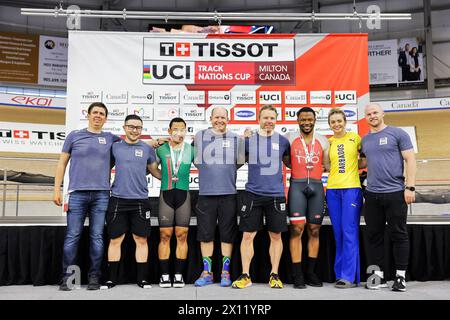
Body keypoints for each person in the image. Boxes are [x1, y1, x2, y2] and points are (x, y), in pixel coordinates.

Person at [53, 102, 120, 291]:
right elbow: (61, 164)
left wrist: (154, 143)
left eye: (102, 113)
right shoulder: (74, 136)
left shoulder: (111, 139)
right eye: (95, 113)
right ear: (88, 115)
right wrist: (56, 189)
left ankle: (94, 277)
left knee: (97, 237)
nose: (98, 116)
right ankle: (68, 278)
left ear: (105, 118)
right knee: (72, 236)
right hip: (76, 194)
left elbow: (132, 143)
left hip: (101, 195)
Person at [232, 105, 290, 289]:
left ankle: (274, 275)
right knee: (248, 236)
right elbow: (236, 162)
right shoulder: (249, 140)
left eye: (272, 118)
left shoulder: (283, 142)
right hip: (252, 194)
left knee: (276, 235)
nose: (269, 121)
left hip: (276, 195)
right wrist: (243, 139)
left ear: (276, 119)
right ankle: (245, 275)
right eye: (265, 117)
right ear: (259, 119)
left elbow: (290, 163)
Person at [360, 103, 416, 292]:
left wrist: (410, 187)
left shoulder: (397, 133)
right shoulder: (365, 140)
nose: (372, 116)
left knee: (398, 234)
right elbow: (363, 162)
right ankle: (377, 276)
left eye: (375, 112)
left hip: (395, 193)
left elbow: (410, 159)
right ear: (365, 117)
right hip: (372, 195)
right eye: (368, 114)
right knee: (374, 236)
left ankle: (400, 277)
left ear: (383, 114)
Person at [103, 114, 161, 289]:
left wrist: (172, 179)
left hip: (140, 201)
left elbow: (154, 171)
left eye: (138, 128)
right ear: (124, 128)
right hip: (118, 200)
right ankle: (111, 279)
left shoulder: (147, 148)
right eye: (131, 127)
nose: (135, 130)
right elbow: (105, 168)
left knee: (141, 239)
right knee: (115, 239)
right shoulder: (115, 147)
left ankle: (142, 279)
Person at [193, 107, 244, 287]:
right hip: (206, 194)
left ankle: (225, 272)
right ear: (210, 118)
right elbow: (196, 160)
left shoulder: (237, 139)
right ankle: (207, 273)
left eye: (223, 117)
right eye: (216, 117)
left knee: (227, 235)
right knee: (205, 235)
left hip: (228, 193)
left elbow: (238, 162)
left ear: (228, 119)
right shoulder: (200, 136)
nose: (219, 120)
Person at [285, 107, 329, 289]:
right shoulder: (289, 138)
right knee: (296, 229)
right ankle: (297, 275)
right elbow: (286, 159)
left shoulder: (323, 140)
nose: (306, 122)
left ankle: (310, 272)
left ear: (314, 120)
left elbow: (326, 164)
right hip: (297, 185)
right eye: (303, 119)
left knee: (315, 230)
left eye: (309, 119)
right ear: (297, 120)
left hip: (317, 186)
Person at [151, 117, 194, 288]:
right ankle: (164, 276)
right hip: (166, 194)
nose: (179, 133)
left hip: (184, 195)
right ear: (169, 131)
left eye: (182, 129)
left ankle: (178, 275)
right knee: (165, 235)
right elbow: (152, 168)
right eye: (175, 129)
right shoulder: (161, 149)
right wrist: (166, 178)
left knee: (182, 235)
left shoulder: (191, 149)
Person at [326, 108, 363, 289]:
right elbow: (326, 165)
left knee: (349, 231)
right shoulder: (330, 142)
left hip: (351, 189)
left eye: (339, 121)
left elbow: (365, 159)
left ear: (345, 121)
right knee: (338, 233)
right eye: (333, 122)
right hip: (332, 190)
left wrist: (354, 168)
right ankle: (340, 273)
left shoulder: (355, 138)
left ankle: (349, 276)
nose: (336, 124)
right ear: (329, 124)